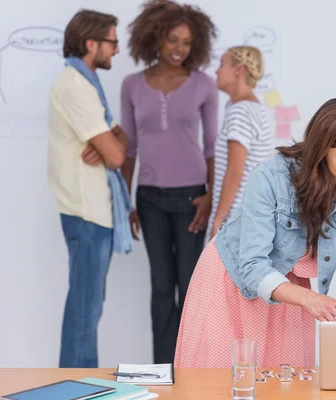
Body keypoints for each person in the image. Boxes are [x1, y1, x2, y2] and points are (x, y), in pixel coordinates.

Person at [175, 98, 336, 368]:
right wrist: (311, 299)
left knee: (285, 386)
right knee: (222, 382)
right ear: (322, 151)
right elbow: (252, 265)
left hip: (292, 294)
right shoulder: (271, 176)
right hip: (233, 280)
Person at [120, 0, 219, 364]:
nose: (179, 48)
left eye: (187, 42)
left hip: (192, 200)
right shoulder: (132, 85)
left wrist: (209, 196)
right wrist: (125, 200)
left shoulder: (204, 86)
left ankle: (190, 367)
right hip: (149, 200)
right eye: (173, 40)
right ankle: (162, 370)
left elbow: (212, 149)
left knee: (190, 288)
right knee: (161, 288)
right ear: (154, 39)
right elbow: (129, 147)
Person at [48, 9, 131, 367]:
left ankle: (76, 385)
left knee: (89, 306)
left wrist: (110, 142)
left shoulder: (89, 86)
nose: (117, 49)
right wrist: (109, 144)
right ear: (90, 43)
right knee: (85, 308)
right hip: (86, 213)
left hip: (94, 211)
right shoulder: (76, 87)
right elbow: (116, 156)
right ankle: (74, 389)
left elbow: (121, 141)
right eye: (112, 41)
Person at [207, 46, 273, 238]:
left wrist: (219, 220)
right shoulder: (248, 107)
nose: (216, 71)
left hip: (236, 220)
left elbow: (235, 171)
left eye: (222, 64)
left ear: (239, 69)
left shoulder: (241, 111)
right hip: (248, 218)